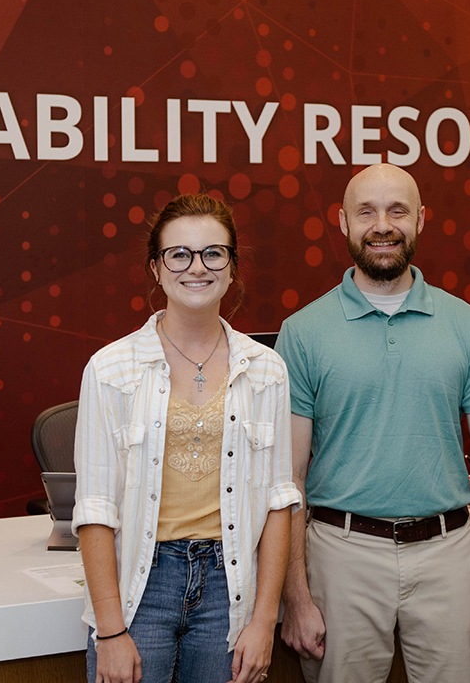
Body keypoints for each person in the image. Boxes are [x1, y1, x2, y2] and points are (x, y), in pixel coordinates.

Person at [276, 163, 470, 683]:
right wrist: (294, 596)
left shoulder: (468, 326)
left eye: (397, 211)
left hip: (449, 554)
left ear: (421, 220)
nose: (381, 225)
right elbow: (288, 476)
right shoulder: (301, 333)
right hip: (341, 556)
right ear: (342, 222)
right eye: (366, 211)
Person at [71, 193, 300, 683]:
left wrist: (264, 620)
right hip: (141, 582)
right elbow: (94, 508)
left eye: (213, 253)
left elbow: (280, 502)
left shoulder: (266, 370)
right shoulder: (111, 369)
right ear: (156, 268)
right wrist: (110, 632)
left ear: (233, 267)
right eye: (179, 254)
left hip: (228, 583)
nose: (196, 267)